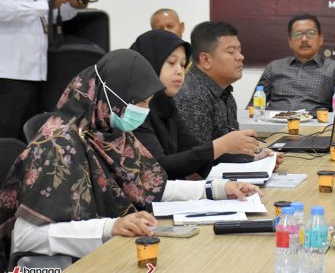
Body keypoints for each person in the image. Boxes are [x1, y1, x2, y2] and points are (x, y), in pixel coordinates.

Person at [0, 50, 259, 265]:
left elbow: (150, 187)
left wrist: (217, 189)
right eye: (140, 102)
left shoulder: (111, 133)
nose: (145, 110)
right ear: (111, 97)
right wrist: (109, 228)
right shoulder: (57, 145)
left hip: (110, 255)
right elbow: (24, 237)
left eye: (148, 102)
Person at [130, 30, 281, 179]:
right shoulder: (135, 109)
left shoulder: (166, 104)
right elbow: (158, 168)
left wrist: (252, 159)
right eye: (171, 62)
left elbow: (192, 149)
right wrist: (220, 146)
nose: (180, 71)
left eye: (183, 64)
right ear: (149, 64)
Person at [0, 0, 84, 140]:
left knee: (24, 136)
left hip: (33, 72)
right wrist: (47, 4)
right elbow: (3, 9)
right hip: (8, 73)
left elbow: (47, 13)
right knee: (5, 135)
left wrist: (70, 7)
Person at [252, 14, 335, 113]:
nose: (304, 39)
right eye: (297, 34)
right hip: (274, 123)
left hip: (315, 124)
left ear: (321, 39)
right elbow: (253, 107)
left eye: (310, 33)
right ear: (290, 41)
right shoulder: (274, 68)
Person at [175, 21, 243, 142]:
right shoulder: (191, 96)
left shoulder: (225, 93)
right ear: (205, 60)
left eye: (239, 50)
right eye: (231, 52)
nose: (240, 57)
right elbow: (197, 152)